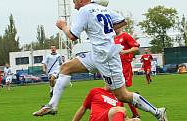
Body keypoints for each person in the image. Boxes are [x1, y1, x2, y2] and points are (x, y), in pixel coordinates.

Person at [33, 1, 167, 121]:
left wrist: (63, 26)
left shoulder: (84, 11)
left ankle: (157, 112)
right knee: (66, 67)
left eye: (75, 2)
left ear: (81, 0)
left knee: (122, 96)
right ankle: (52, 106)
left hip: (107, 58)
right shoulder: (102, 8)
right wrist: (102, 29)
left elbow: (72, 36)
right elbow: (122, 21)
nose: (74, 6)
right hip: (97, 54)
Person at [114, 28, 140, 118]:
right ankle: (134, 113)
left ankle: (123, 115)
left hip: (125, 66)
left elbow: (136, 47)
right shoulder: (111, 38)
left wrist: (126, 51)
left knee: (121, 92)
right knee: (119, 92)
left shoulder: (125, 36)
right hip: (116, 67)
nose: (114, 28)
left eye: (115, 25)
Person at [72, 87, 141, 121]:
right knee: (120, 109)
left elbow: (122, 118)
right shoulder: (95, 91)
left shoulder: (119, 98)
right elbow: (82, 109)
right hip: (97, 119)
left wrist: (130, 120)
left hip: (110, 117)